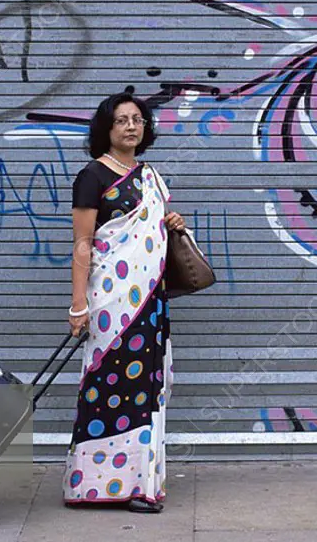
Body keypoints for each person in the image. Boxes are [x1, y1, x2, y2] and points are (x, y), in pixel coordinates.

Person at [64, 92, 186, 513]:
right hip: (111, 305)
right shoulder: (92, 177)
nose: (132, 127)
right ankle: (93, 484)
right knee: (106, 386)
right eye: (122, 121)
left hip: (149, 302)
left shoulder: (149, 177)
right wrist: (79, 303)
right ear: (106, 129)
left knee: (145, 389)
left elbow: (150, 235)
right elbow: (83, 245)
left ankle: (139, 484)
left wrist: (170, 222)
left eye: (138, 119)